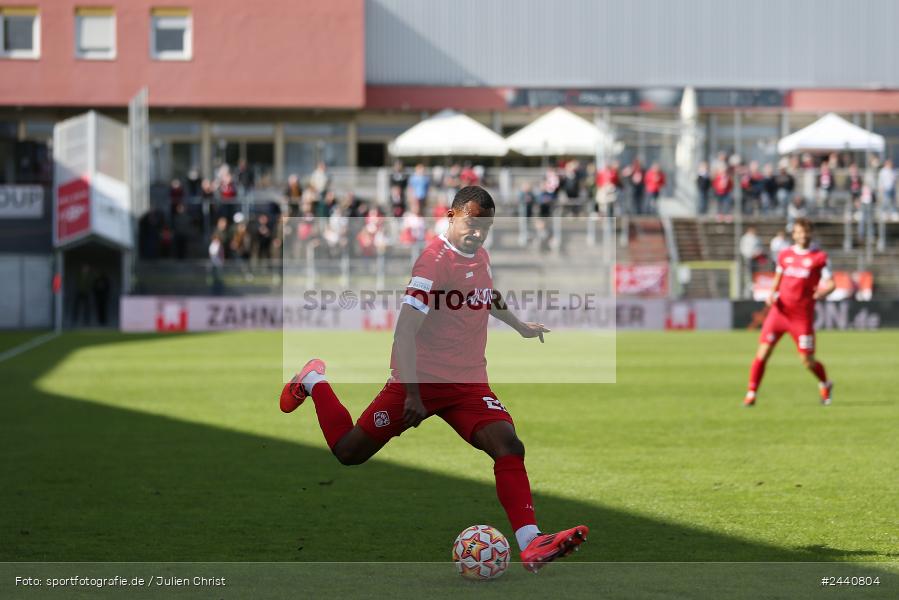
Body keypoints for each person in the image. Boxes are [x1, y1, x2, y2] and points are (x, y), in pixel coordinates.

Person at [279, 186, 588, 572]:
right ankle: (314, 382)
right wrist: (411, 394)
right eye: (472, 223)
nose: (478, 232)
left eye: (485, 226)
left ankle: (531, 542)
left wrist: (520, 325)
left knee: (509, 445)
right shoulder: (432, 263)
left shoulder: (480, 255)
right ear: (451, 215)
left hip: (467, 384)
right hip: (419, 381)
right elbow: (405, 331)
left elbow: (487, 294)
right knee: (348, 452)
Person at [744, 218, 835, 407]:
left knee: (807, 361)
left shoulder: (820, 257)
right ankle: (751, 393)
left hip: (801, 318)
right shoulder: (785, 255)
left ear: (810, 233)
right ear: (793, 234)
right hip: (779, 313)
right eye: (798, 232)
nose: (802, 235)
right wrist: (771, 293)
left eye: (805, 231)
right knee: (763, 353)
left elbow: (832, 283)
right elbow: (778, 277)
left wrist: (823, 292)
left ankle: (825, 383)